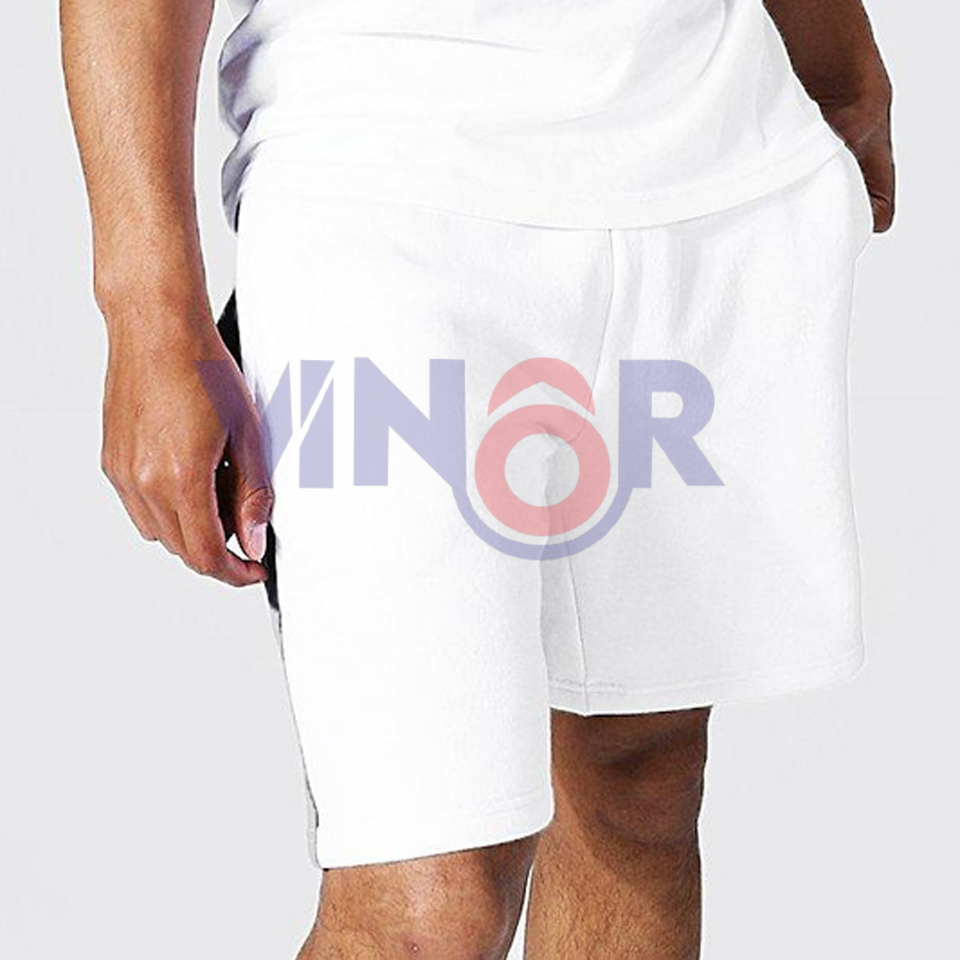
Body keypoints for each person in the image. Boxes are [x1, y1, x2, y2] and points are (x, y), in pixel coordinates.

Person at [60, 0, 894, 956]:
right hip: (380, 194)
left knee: (640, 786)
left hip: (703, 171)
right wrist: (147, 307)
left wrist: (839, 58)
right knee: (428, 900)